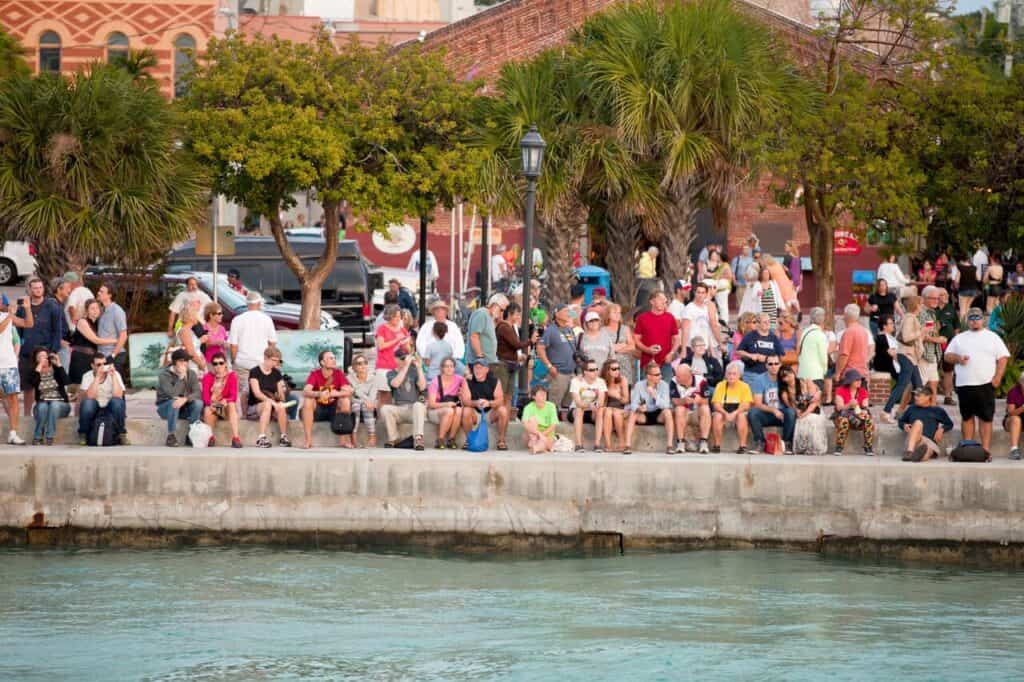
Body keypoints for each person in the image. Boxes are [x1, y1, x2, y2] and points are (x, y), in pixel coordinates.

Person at [944, 308, 1010, 454]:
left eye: (977, 318)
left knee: (986, 418)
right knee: (967, 417)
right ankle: (968, 448)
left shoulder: (992, 337)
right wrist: (958, 359)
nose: (974, 321)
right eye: (971, 318)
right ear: (967, 320)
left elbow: (1003, 358)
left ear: (983, 320)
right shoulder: (959, 338)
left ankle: (985, 451)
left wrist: (997, 377)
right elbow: (947, 356)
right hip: (964, 383)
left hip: (985, 383)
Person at [16, 278, 63, 416]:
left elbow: (57, 331)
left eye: (40, 287)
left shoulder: (52, 306)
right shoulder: (23, 308)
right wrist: (18, 350)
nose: (38, 290)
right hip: (26, 353)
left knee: (46, 386)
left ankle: (45, 415)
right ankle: (27, 416)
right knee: (27, 387)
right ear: (30, 290)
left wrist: (53, 351)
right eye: (35, 288)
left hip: (45, 353)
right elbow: (18, 331)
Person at [228, 291, 277, 407]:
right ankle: (259, 412)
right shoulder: (267, 319)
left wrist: (234, 361)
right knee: (260, 392)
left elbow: (233, 345)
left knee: (244, 392)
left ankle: (245, 414)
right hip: (261, 362)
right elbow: (272, 343)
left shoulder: (237, 319)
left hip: (242, 362)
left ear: (247, 304)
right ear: (259, 304)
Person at [882, 296, 924, 422]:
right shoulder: (909, 318)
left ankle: (918, 415)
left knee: (918, 386)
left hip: (911, 356)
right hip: (907, 355)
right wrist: (922, 331)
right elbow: (906, 337)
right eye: (920, 304)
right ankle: (886, 412)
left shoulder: (910, 318)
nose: (921, 307)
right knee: (902, 384)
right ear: (916, 305)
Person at [300, 349, 353, 449]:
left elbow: (349, 391)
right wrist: (319, 394)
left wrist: (336, 393)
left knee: (345, 400)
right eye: (330, 358)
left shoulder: (338, 373)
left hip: (334, 411)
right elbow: (305, 391)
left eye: (334, 358)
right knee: (308, 400)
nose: (334, 360)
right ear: (322, 362)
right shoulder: (315, 374)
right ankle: (308, 440)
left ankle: (344, 440)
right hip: (318, 411)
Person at [247, 346, 296, 448]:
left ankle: (283, 437)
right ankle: (261, 438)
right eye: (273, 360)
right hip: (256, 406)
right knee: (267, 404)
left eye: (277, 361)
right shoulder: (254, 371)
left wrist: (280, 401)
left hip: (272, 405)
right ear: (265, 358)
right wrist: (272, 402)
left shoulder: (276, 373)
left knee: (281, 405)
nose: (275, 363)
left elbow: (281, 393)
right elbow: (257, 393)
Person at [381, 346, 427, 450]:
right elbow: (395, 384)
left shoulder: (414, 371)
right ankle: (393, 439)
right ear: (395, 359)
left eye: (405, 358)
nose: (404, 361)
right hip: (399, 408)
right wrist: (406, 367)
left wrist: (419, 368)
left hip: (414, 409)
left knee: (419, 405)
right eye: (402, 359)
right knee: (385, 409)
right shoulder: (391, 373)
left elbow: (422, 387)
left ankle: (418, 439)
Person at [156, 348, 203, 448]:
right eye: (182, 361)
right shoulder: (164, 375)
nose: (185, 363)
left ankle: (191, 435)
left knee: (198, 403)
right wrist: (181, 377)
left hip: (183, 407)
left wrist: (185, 399)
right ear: (174, 362)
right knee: (174, 402)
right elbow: (172, 393)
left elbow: (197, 392)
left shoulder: (191, 373)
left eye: (186, 361)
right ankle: (171, 436)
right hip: (166, 408)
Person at [748, 354, 795, 453]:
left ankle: (786, 443)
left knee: (791, 412)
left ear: (780, 364)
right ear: (766, 365)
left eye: (776, 363)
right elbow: (758, 403)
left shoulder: (786, 378)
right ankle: (760, 442)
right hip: (767, 413)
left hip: (784, 413)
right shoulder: (759, 379)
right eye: (770, 364)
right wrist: (774, 410)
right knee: (753, 412)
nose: (773, 366)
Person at [625, 362, 675, 455]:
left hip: (658, 413)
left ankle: (669, 446)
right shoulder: (639, 385)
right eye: (657, 374)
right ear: (648, 376)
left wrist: (654, 396)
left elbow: (666, 405)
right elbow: (633, 404)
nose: (660, 376)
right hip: (644, 414)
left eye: (660, 373)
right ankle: (627, 446)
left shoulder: (664, 385)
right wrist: (639, 408)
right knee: (633, 412)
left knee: (667, 412)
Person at [460, 359, 510, 450]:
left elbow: (500, 400)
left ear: (486, 370)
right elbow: (465, 401)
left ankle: (501, 440)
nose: (477, 370)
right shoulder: (468, 381)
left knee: (503, 410)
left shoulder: (495, 381)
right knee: (466, 410)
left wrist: (489, 403)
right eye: (475, 368)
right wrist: (476, 403)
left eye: (480, 368)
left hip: (489, 413)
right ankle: (469, 440)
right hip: (475, 412)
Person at [78, 354, 127, 446]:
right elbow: (90, 396)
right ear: (92, 366)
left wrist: (113, 376)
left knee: (117, 402)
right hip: (95, 407)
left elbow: (118, 395)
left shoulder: (115, 374)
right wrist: (97, 377)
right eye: (99, 365)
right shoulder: (87, 376)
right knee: (87, 403)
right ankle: (83, 434)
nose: (102, 366)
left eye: (104, 364)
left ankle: (121, 434)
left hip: (110, 407)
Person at [536, 303, 578, 410]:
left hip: (571, 373)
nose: (568, 313)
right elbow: (540, 348)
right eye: (565, 311)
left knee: (567, 406)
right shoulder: (551, 330)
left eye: (568, 311)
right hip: (558, 373)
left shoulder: (569, 329)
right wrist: (549, 366)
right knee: (553, 405)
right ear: (557, 314)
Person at [68, 299, 117, 386]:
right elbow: (95, 340)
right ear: (87, 311)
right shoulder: (82, 321)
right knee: (80, 385)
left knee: (91, 384)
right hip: (80, 358)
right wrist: (116, 340)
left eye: (97, 308)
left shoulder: (98, 323)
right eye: (92, 308)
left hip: (92, 358)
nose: (95, 310)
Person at [27, 347, 70, 445]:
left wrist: (59, 363)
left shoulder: (56, 369)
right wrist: (39, 367)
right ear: (36, 359)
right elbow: (33, 383)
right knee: (43, 407)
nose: (43, 358)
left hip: (61, 405)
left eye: (45, 356)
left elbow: (66, 381)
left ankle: (49, 436)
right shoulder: (34, 371)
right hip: (43, 404)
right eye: (40, 357)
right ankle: (37, 437)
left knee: (54, 405)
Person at [899, 386, 955, 462]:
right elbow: (901, 421)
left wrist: (942, 429)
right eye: (915, 395)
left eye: (918, 395)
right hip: (913, 441)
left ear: (928, 397)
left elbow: (949, 423)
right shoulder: (911, 408)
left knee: (928, 450)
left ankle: (918, 456)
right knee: (918, 423)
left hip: (929, 442)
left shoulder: (937, 410)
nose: (915, 398)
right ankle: (910, 452)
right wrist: (904, 425)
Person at [495, 302, 533, 411]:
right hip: (504, 365)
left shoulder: (511, 327)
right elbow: (516, 345)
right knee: (503, 395)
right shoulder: (504, 327)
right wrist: (530, 341)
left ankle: (506, 415)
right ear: (510, 314)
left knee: (509, 396)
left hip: (511, 364)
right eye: (517, 314)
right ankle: (501, 415)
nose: (518, 317)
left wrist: (518, 357)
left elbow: (511, 347)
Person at [782, 367, 828, 455]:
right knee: (801, 420)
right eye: (785, 376)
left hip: (813, 410)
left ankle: (814, 447)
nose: (789, 376)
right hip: (801, 411)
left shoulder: (806, 382)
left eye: (790, 373)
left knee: (811, 419)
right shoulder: (786, 391)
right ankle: (802, 447)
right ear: (783, 379)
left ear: (794, 373)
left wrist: (805, 413)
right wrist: (798, 412)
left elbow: (815, 402)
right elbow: (792, 406)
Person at [201, 351, 242, 449]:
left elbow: (233, 396)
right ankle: (210, 437)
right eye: (215, 363)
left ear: (225, 364)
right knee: (207, 409)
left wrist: (226, 401)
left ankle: (236, 438)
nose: (218, 366)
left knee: (231, 404)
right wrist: (210, 404)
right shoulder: (207, 377)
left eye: (221, 363)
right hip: (214, 407)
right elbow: (205, 396)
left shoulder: (232, 376)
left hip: (226, 407)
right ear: (212, 365)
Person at [710, 361, 752, 454]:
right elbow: (716, 405)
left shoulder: (745, 386)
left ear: (739, 375)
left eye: (734, 374)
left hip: (738, 411)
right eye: (729, 374)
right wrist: (725, 413)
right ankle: (717, 445)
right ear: (725, 375)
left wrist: (735, 413)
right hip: (724, 411)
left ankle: (742, 446)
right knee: (717, 416)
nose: (731, 376)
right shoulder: (720, 385)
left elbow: (746, 405)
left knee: (741, 416)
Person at [832, 369, 875, 456]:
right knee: (844, 420)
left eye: (860, 379)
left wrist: (863, 411)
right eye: (856, 380)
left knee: (869, 420)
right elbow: (839, 408)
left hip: (857, 418)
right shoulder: (840, 390)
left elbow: (865, 406)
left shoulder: (863, 391)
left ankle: (868, 446)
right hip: (842, 416)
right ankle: (839, 446)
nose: (859, 381)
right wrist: (849, 405)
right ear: (850, 381)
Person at [670, 363, 711, 453]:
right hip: (684, 412)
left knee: (705, 408)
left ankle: (704, 442)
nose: (676, 377)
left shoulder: (701, 381)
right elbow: (674, 401)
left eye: (679, 376)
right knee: (679, 409)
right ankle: (680, 443)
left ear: (687, 376)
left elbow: (706, 401)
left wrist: (699, 400)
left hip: (697, 412)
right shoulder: (674, 381)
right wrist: (684, 400)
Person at [374, 304, 411, 405]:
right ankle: (381, 415)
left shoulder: (402, 330)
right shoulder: (382, 328)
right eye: (395, 316)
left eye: (399, 316)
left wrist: (406, 344)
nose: (398, 319)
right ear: (389, 316)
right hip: (384, 367)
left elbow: (408, 350)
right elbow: (381, 346)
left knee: (396, 396)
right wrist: (397, 339)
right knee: (384, 396)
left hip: (397, 367)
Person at [736, 313, 784, 386]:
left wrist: (769, 359)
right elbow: (738, 351)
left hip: (769, 374)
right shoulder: (750, 336)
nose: (768, 324)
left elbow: (781, 355)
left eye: (769, 321)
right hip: (752, 373)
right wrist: (751, 355)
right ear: (758, 324)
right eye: (765, 322)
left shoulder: (773, 337)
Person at [427, 357, 465, 449]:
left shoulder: (459, 379)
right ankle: (440, 439)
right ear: (442, 368)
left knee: (459, 410)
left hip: (452, 408)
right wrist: (447, 404)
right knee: (449, 411)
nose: (449, 368)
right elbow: (431, 404)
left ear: (454, 368)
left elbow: (469, 385)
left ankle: (451, 439)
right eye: (446, 366)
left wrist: (462, 393)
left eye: (451, 366)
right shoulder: (435, 381)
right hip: (435, 410)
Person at [569, 359, 606, 452]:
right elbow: (578, 402)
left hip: (592, 412)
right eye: (592, 370)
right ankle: (578, 445)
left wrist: (596, 406)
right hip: (575, 411)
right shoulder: (576, 381)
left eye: (596, 369)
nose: (595, 372)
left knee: (600, 410)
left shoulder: (600, 381)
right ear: (585, 372)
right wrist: (590, 405)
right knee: (579, 409)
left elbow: (601, 401)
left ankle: (597, 445)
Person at [467, 293, 507, 374]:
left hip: (489, 362)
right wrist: (480, 357)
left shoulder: (489, 316)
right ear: (494, 305)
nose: (502, 313)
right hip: (481, 363)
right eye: (502, 310)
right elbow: (474, 337)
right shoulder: (482, 314)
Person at [416, 299, 464, 365]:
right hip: (431, 361)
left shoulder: (453, 326)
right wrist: (426, 358)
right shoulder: (426, 326)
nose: (440, 312)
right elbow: (420, 343)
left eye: (442, 310)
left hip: (451, 361)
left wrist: (454, 359)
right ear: (433, 313)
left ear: (446, 312)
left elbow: (459, 343)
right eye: (437, 310)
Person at [96, 282, 129, 377]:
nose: (98, 293)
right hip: (102, 356)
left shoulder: (117, 311)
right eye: (99, 291)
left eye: (101, 292)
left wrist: (113, 355)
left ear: (109, 295)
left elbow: (123, 335)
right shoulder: (101, 310)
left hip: (114, 356)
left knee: (115, 384)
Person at [935, 287, 961, 406]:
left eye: (946, 294)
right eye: (942, 294)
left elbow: (957, 326)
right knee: (932, 370)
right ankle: (931, 396)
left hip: (949, 344)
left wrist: (955, 341)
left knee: (949, 371)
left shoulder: (950, 308)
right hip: (934, 343)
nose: (946, 296)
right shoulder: (932, 309)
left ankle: (948, 396)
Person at [680, 283, 721, 358]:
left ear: (706, 294)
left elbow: (707, 330)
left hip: (704, 347)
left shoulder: (705, 308)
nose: (700, 295)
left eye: (703, 293)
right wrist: (683, 350)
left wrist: (711, 350)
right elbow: (685, 330)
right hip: (692, 348)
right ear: (694, 293)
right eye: (698, 292)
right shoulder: (689, 308)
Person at [835, 304, 871, 383]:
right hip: (862, 373)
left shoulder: (848, 332)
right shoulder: (864, 331)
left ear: (846, 316)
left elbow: (844, 355)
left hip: (850, 375)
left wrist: (838, 373)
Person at [346, 353, 377, 448]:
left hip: (369, 404)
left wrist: (367, 401)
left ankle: (372, 436)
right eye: (359, 363)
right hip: (354, 403)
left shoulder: (373, 378)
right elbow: (352, 396)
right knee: (356, 406)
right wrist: (364, 401)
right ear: (354, 367)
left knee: (365, 406)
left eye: (365, 363)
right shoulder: (349, 378)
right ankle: (353, 436)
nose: (363, 365)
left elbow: (372, 396)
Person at [796, 307, 829, 392]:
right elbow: (823, 357)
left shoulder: (805, 332)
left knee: (804, 398)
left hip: (802, 373)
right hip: (815, 374)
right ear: (823, 319)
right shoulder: (820, 335)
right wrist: (825, 371)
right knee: (815, 398)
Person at [601, 359, 630, 452]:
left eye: (618, 368)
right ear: (607, 371)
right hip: (606, 408)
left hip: (620, 407)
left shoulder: (623, 380)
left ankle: (622, 442)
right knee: (609, 411)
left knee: (616, 412)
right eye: (614, 369)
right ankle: (608, 445)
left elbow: (626, 400)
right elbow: (602, 403)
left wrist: (617, 396)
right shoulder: (602, 381)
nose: (617, 371)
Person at [604, 303, 636, 385]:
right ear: (608, 315)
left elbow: (632, 346)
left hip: (624, 366)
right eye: (614, 312)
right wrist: (622, 345)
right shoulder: (603, 330)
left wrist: (617, 350)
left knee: (626, 387)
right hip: (609, 366)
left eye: (619, 312)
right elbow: (603, 347)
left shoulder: (625, 329)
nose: (617, 314)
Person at [522, 385, 558, 454]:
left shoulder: (551, 406)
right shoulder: (528, 407)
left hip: (547, 434)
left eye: (545, 394)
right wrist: (538, 434)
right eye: (541, 394)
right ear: (534, 396)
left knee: (545, 441)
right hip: (532, 435)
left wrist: (542, 435)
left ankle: (536, 448)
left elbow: (553, 425)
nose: (544, 396)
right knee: (532, 419)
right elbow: (525, 424)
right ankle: (538, 445)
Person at [174, 307, 207, 373]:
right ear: (191, 317)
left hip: (194, 365)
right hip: (191, 366)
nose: (197, 318)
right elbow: (190, 352)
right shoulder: (185, 331)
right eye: (196, 315)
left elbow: (194, 348)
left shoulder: (188, 330)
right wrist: (201, 364)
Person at [705, 249, 733, 323]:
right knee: (721, 306)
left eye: (718, 256)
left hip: (724, 286)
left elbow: (730, 276)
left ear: (721, 258)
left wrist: (720, 277)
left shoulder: (725, 265)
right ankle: (722, 320)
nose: (717, 257)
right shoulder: (721, 265)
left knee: (723, 306)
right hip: (719, 289)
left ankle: (725, 321)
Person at [201, 303, 229, 367]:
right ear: (211, 315)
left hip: (222, 363)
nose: (222, 315)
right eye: (219, 313)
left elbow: (227, 344)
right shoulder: (203, 328)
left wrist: (225, 344)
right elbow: (200, 347)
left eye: (222, 313)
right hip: (208, 363)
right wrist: (214, 343)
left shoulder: (222, 328)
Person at [956, 253, 981, 319]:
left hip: (963, 289)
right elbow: (978, 278)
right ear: (968, 260)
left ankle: (963, 324)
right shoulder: (974, 268)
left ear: (961, 260)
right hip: (973, 290)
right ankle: (967, 322)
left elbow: (956, 280)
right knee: (967, 308)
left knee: (962, 309)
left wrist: (956, 285)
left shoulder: (960, 268)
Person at [1006, 374, 1024, 460]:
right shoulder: (1013, 392)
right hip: (1013, 420)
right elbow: (1010, 413)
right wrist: (1022, 408)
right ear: (1020, 382)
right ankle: (1014, 450)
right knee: (1016, 419)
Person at [731, 244, 754, 308]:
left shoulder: (751, 260)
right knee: (740, 303)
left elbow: (754, 272)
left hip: (749, 284)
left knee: (749, 303)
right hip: (739, 284)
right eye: (745, 249)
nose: (747, 250)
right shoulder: (736, 259)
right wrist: (734, 281)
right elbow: (732, 271)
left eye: (748, 249)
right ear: (742, 250)